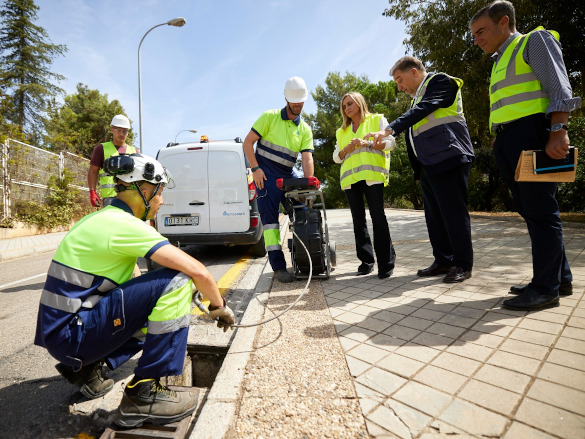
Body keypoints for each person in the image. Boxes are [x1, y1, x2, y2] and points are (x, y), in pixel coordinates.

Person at [34, 153, 235, 428]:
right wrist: (217, 306)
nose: (161, 200)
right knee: (178, 280)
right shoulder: (126, 225)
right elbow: (198, 271)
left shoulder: (98, 219)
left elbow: (133, 283)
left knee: (158, 301)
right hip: (74, 336)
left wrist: (166, 298)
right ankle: (145, 393)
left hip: (61, 333)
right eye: (159, 192)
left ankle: (86, 369)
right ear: (143, 189)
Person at [470, 1, 580, 310]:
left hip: (533, 134)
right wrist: (499, 136)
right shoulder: (499, 61)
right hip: (510, 139)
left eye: (481, 31)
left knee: (541, 210)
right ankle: (560, 278)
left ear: (503, 22)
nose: (476, 39)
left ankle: (546, 289)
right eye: (473, 34)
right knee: (531, 210)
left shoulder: (533, 41)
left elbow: (559, 87)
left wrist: (559, 129)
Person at [367, 56, 475, 283]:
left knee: (453, 213)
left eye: (400, 79)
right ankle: (444, 259)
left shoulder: (441, 82)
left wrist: (389, 129)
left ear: (414, 72)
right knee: (434, 217)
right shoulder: (417, 100)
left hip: (450, 156)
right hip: (430, 164)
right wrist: (418, 171)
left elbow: (425, 111)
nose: (399, 86)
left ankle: (463, 264)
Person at [242, 76, 315, 283]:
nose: (297, 105)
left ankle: (305, 259)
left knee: (303, 213)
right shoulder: (269, 117)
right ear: (286, 98)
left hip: (288, 175)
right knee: (271, 224)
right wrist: (255, 169)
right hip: (265, 176)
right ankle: (279, 267)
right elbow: (248, 143)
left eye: (301, 102)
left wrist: (308, 184)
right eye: (294, 102)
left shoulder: (305, 129)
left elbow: (307, 157)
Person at [332, 92, 397, 279]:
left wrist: (366, 143)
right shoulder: (341, 131)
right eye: (344, 106)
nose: (347, 108)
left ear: (360, 103)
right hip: (350, 179)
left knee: (378, 217)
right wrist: (347, 149)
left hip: (372, 175)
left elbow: (390, 143)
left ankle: (386, 263)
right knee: (358, 221)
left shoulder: (377, 120)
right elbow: (337, 157)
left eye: (350, 103)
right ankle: (366, 262)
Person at [88, 114, 137, 208]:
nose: (121, 134)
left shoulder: (134, 152)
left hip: (130, 197)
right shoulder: (101, 149)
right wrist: (92, 192)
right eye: (119, 130)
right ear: (112, 130)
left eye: (125, 131)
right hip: (110, 198)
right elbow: (93, 171)